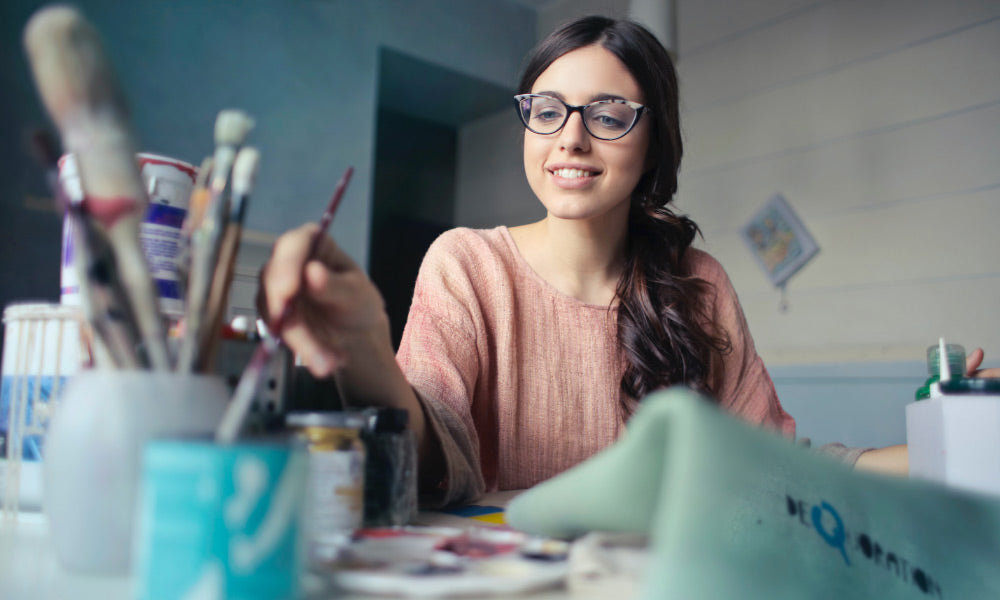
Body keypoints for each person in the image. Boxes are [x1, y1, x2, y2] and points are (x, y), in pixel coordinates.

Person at [260, 16, 993, 506]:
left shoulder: (697, 285)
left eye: (609, 115)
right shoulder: (467, 265)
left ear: (652, 145)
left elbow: (776, 471)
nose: (571, 138)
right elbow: (432, 459)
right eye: (547, 110)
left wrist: (950, 436)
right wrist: (364, 351)